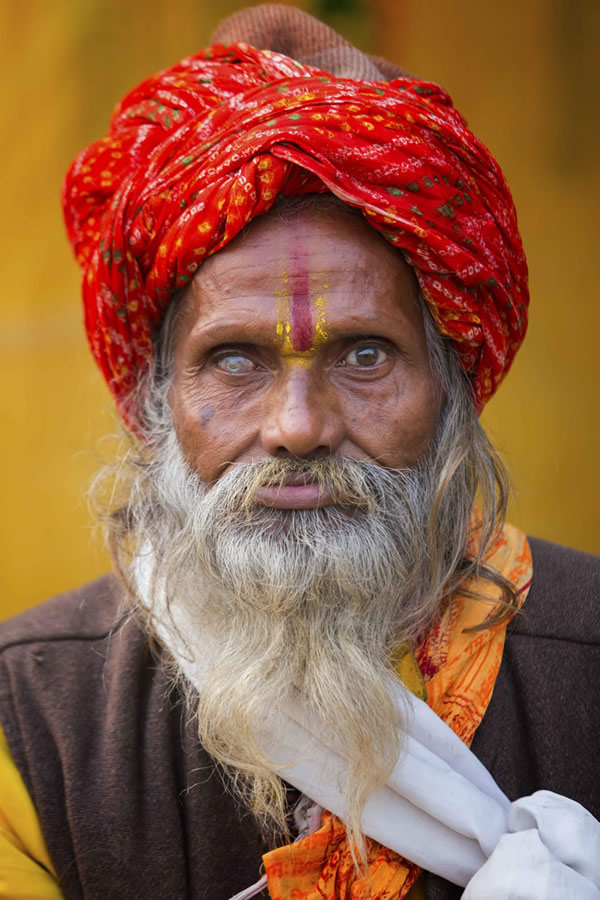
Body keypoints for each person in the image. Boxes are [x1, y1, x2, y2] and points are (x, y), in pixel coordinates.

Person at [1, 5, 598, 899]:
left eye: (364, 355)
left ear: (452, 387)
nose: (298, 426)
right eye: (234, 360)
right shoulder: (28, 722)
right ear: (157, 402)